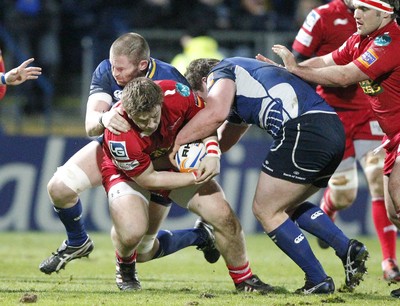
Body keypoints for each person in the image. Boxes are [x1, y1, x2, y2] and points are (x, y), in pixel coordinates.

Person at [172, 57, 369, 294]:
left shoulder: (221, 71)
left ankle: (317, 279)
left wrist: (177, 142)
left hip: (302, 130)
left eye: (201, 99)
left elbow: (215, 113)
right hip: (331, 129)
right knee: (285, 206)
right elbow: (224, 142)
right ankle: (347, 249)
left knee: (265, 210)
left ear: (206, 81)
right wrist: (201, 149)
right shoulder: (242, 86)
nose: (201, 107)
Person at [39, 33, 219, 278]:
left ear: (142, 65)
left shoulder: (169, 79)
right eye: (113, 66)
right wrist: (104, 118)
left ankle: (200, 236)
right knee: (59, 188)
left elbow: (197, 121)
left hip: (159, 160)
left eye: (121, 68)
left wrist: (203, 153)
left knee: (143, 249)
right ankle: (77, 241)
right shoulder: (106, 71)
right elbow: (91, 125)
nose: (115, 73)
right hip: (116, 152)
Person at [267, 0, 400, 298]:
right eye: (355, 8)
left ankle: (390, 261)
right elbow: (327, 61)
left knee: (394, 196)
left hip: (384, 127)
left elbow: (343, 76)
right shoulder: (359, 39)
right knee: (395, 211)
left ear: (385, 12)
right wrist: (288, 70)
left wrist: (295, 69)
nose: (357, 14)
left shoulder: (388, 41)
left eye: (364, 9)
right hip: (386, 133)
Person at [101, 77, 274, 292]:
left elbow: (205, 121)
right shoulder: (119, 133)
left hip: (171, 163)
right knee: (133, 234)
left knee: (223, 216)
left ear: (160, 102)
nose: (150, 125)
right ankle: (126, 266)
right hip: (132, 173)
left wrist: (212, 151)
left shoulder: (177, 94)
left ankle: (244, 280)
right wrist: (195, 177)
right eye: (141, 121)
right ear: (127, 112)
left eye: (153, 117)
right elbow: (148, 179)